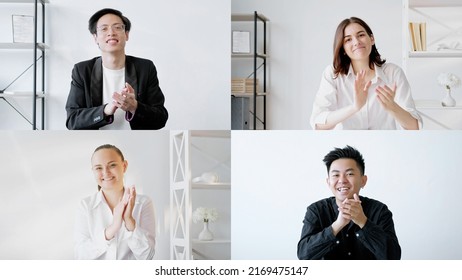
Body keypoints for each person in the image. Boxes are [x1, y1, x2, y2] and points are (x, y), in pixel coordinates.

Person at [310, 17, 421, 130]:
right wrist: (355, 107)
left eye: (361, 35)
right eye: (348, 40)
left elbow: (414, 127)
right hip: (346, 147)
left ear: (371, 39)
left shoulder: (393, 73)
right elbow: (318, 124)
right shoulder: (333, 74)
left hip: (384, 146)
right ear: (343, 48)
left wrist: (393, 107)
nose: (356, 42)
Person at [65, 8, 168, 130]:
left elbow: (161, 118)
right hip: (95, 142)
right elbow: (72, 121)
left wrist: (134, 107)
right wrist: (106, 110)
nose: (111, 33)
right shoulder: (82, 70)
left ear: (126, 34)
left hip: (138, 142)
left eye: (117, 27)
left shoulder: (145, 68)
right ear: (95, 37)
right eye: (104, 28)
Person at [297, 146, 401, 260]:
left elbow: (393, 257)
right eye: (336, 175)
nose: (342, 180)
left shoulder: (379, 210)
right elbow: (304, 255)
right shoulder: (316, 210)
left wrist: (363, 222)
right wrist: (336, 226)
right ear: (328, 182)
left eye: (350, 174)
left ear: (363, 181)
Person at [74, 144, 156, 259]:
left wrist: (129, 221)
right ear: (93, 171)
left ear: (124, 166)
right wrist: (112, 229)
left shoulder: (143, 203)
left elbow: (147, 256)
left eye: (112, 165)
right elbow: (81, 256)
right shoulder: (85, 206)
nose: (106, 172)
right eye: (98, 168)